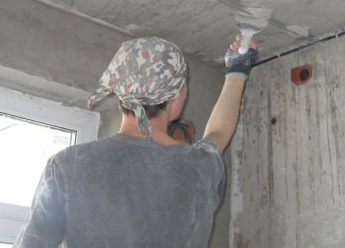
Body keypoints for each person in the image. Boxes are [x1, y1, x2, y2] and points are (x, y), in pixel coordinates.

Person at [14, 35, 257, 248]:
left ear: (119, 94)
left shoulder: (68, 166)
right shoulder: (199, 167)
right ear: (176, 98)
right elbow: (218, 132)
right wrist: (237, 69)